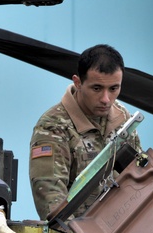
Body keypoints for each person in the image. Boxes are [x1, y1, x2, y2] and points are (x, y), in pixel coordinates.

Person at [30, 44, 142, 219]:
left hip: (119, 231)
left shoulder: (123, 118)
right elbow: (51, 201)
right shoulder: (53, 126)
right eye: (96, 88)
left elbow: (138, 178)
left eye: (114, 89)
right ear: (78, 82)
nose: (106, 99)